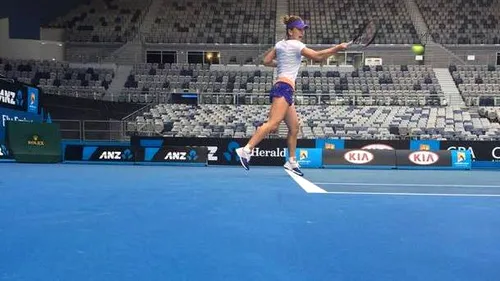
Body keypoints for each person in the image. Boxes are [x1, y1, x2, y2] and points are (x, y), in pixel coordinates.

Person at [235, 15, 349, 176]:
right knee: (273, 124)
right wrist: (336, 48)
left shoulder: (280, 44)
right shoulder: (297, 45)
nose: (302, 32)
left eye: (303, 29)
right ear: (290, 31)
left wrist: (282, 63)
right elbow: (317, 57)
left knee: (294, 127)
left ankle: (292, 161)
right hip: (284, 88)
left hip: (283, 88)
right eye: (299, 29)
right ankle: (246, 150)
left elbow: (266, 61)